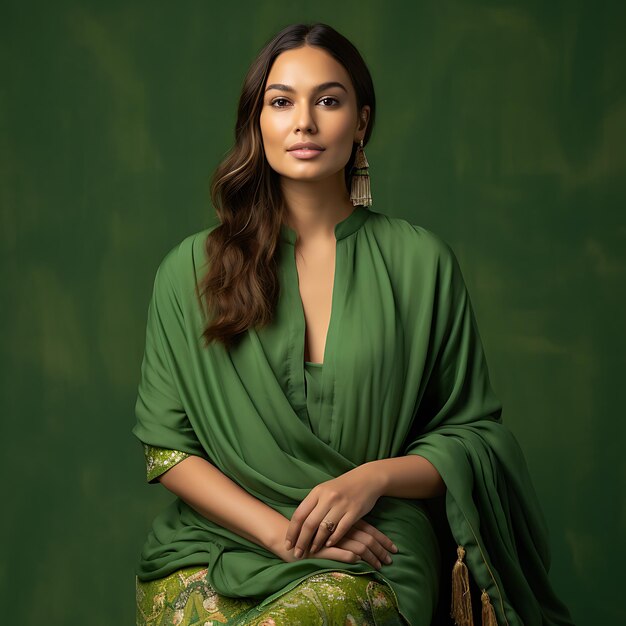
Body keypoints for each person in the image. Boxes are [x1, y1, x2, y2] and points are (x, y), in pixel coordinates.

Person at [132, 22, 575, 626]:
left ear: (361, 121)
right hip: (213, 548)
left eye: (329, 100)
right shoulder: (189, 271)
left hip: (371, 546)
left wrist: (371, 479)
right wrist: (279, 532)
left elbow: (472, 437)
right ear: (257, 123)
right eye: (282, 101)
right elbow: (167, 450)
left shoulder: (421, 264)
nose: (304, 122)